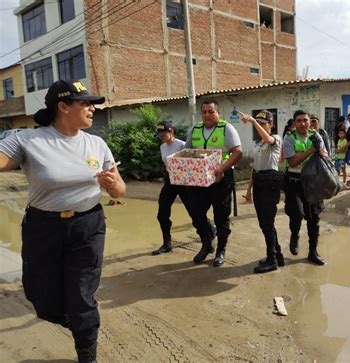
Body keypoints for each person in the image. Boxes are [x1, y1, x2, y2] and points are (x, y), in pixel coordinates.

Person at [0, 79, 126, 363]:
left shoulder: (96, 143)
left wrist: (111, 184)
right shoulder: (28, 140)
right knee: (40, 294)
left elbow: (120, 190)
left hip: (87, 225)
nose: (93, 109)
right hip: (42, 227)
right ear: (63, 106)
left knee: (82, 293)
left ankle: (86, 351)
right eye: (85, 103)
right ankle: (77, 319)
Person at [185, 100, 242, 266]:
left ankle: (220, 250)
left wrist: (222, 168)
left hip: (221, 179)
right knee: (196, 213)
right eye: (204, 112)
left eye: (211, 112)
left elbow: (237, 152)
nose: (207, 115)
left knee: (221, 216)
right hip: (199, 180)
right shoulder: (195, 129)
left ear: (218, 113)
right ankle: (207, 244)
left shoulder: (226, 128)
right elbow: (187, 152)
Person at [152, 121, 215, 255]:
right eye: (159, 135)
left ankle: (209, 232)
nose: (161, 137)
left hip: (184, 182)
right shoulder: (162, 147)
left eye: (164, 134)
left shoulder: (182, 145)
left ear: (171, 131)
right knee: (162, 212)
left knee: (194, 211)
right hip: (170, 180)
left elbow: (191, 163)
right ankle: (167, 243)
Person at [239, 110, 285, 273]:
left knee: (267, 223)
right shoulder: (257, 144)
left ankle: (272, 259)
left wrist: (252, 121)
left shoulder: (275, 139)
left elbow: (268, 138)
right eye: (260, 123)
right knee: (265, 223)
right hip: (259, 181)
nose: (262, 126)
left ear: (271, 125)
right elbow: (254, 169)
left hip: (270, 181)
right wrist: (249, 190)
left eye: (264, 123)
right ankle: (277, 255)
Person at [283, 109, 328, 266]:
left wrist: (322, 153)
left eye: (305, 120)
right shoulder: (289, 138)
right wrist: (311, 150)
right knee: (296, 214)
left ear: (310, 122)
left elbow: (325, 156)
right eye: (299, 121)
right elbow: (293, 162)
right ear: (294, 123)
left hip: (313, 183)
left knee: (314, 218)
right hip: (294, 182)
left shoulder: (317, 137)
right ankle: (295, 235)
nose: (302, 123)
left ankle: (313, 252)